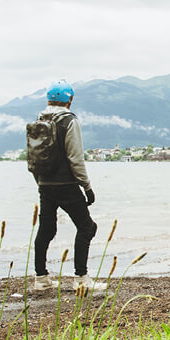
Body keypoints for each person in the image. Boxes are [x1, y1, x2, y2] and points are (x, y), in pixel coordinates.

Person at [31, 80, 105, 291]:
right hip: (66, 184)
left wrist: (40, 182)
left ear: (48, 99)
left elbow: (34, 157)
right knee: (87, 227)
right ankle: (81, 278)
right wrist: (87, 187)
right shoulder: (69, 121)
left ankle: (41, 279)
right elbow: (75, 158)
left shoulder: (39, 121)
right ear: (69, 99)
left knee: (46, 229)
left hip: (44, 183)